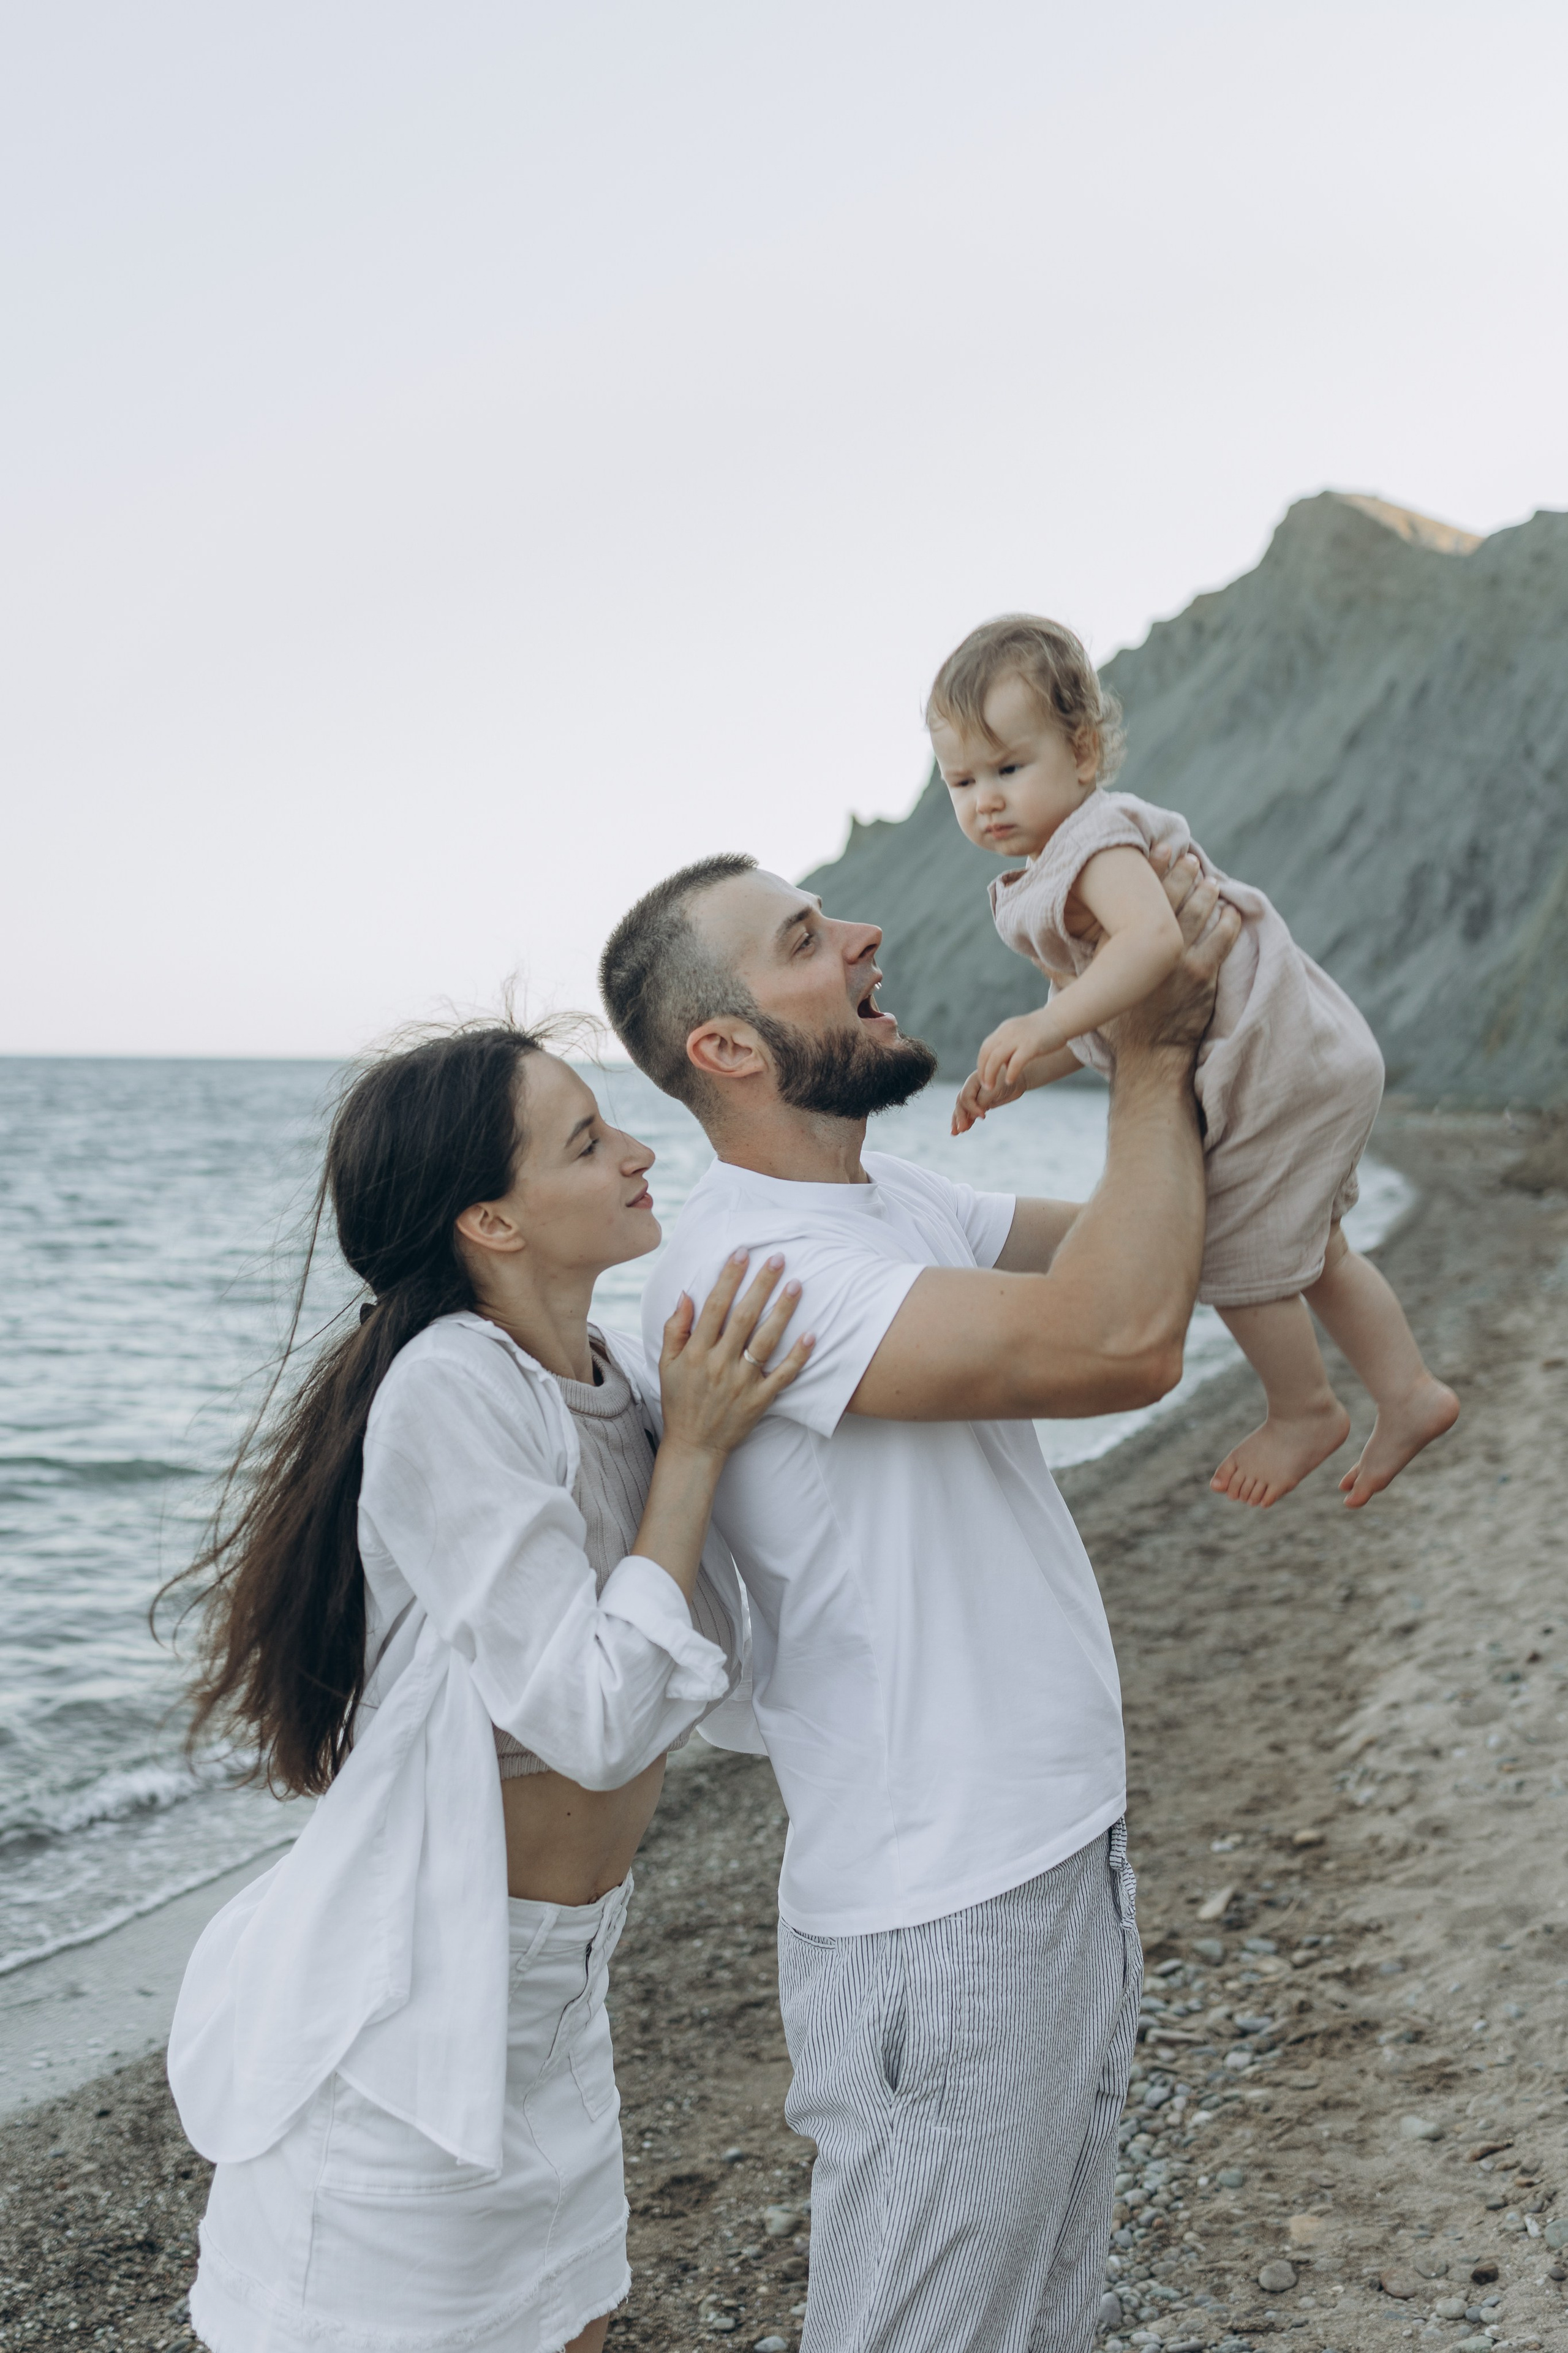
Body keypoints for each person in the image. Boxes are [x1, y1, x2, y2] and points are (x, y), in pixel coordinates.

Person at [597, 848, 1237, 2353]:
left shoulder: (882, 1195)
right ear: (730, 1048)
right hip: (936, 1909)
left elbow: (1148, 1247)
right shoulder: (748, 1268)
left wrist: (1172, 1005)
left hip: (1045, 1852)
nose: (867, 933)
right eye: (811, 937)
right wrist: (1143, 1055)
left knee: (1042, 2323)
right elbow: (1122, 1339)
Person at [162, 1021, 810, 2353]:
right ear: (490, 1222)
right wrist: (693, 1453)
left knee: (567, 2319)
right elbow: (595, 1719)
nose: (638, 1151)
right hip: (420, 1990)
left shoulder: (616, 1381)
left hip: (560, 1984)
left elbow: (718, 1671)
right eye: (586, 1141)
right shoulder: (451, 1389)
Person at [930, 611, 1459, 1511]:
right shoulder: (1054, 864)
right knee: (1312, 1248)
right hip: (1297, 1057)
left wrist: (1040, 1024)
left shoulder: (1096, 841)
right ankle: (1408, 1391)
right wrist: (1025, 1068)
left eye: (1010, 768)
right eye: (962, 779)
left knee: (1222, 1245)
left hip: (1273, 1062)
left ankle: (1304, 1408)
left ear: (1084, 753)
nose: (987, 798)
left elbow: (1153, 951)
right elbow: (1116, 1017)